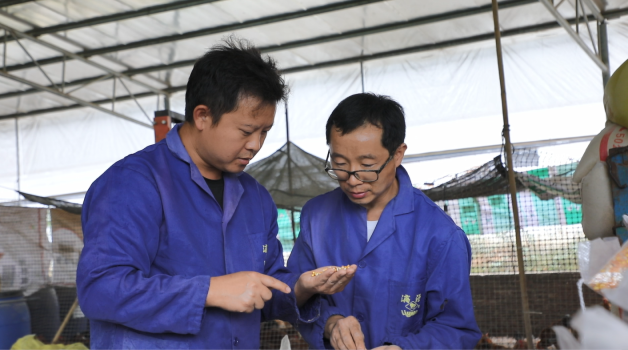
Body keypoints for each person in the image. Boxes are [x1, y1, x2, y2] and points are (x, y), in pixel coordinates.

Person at [76, 38, 356, 349]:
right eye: (246, 130)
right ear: (202, 116)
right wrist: (209, 291)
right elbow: (100, 289)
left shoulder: (256, 199)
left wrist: (301, 287)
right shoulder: (133, 184)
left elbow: (263, 289)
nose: (256, 144)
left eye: (265, 131)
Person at [287, 93, 481, 349]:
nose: (352, 179)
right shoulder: (316, 217)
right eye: (340, 163)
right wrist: (331, 323)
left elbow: (456, 328)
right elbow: (295, 291)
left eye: (367, 165)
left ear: (398, 154)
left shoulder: (440, 236)